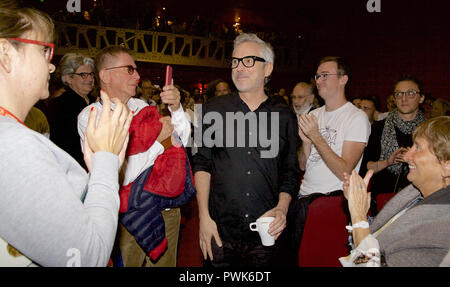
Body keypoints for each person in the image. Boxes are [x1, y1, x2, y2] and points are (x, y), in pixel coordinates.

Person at [0, 4, 132, 266]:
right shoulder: (13, 144)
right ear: (5, 53)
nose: (51, 67)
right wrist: (106, 159)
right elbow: (88, 258)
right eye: (44, 51)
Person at [77, 45, 192, 267]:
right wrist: (159, 144)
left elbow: (181, 142)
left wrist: (176, 110)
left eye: (136, 69)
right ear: (105, 75)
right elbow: (117, 174)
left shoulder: (143, 106)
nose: (138, 76)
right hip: (128, 217)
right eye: (129, 69)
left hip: (167, 209)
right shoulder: (92, 117)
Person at [193, 33, 301, 267]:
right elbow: (202, 164)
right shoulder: (212, 110)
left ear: (268, 68)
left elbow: (290, 172)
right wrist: (204, 217)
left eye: (248, 61)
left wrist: (282, 209)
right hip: (219, 231)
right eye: (235, 61)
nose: (239, 68)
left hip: (266, 232)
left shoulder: (284, 116)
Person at [341, 116, 450, 267]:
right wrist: (361, 210)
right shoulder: (414, 194)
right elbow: (378, 236)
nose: (406, 157)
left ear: (447, 166)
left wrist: (358, 217)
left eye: (418, 148)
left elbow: (370, 264)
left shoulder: (443, 226)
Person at [298, 56, 371, 196]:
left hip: (332, 198)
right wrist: (306, 143)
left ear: (343, 79)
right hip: (304, 194)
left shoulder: (356, 117)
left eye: (325, 75)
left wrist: (315, 136)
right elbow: (303, 166)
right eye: (317, 76)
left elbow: (345, 172)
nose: (318, 80)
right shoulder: (314, 114)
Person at [363, 75, 426, 214]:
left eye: (410, 93)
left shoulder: (429, 131)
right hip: (382, 202)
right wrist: (387, 162)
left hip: (421, 201)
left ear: (421, 98)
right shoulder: (377, 128)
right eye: (399, 94)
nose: (404, 98)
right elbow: (364, 166)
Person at [47, 53, 96, 168]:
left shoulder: (97, 102)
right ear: (68, 78)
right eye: (83, 75)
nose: (89, 79)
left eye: (91, 74)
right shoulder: (59, 105)